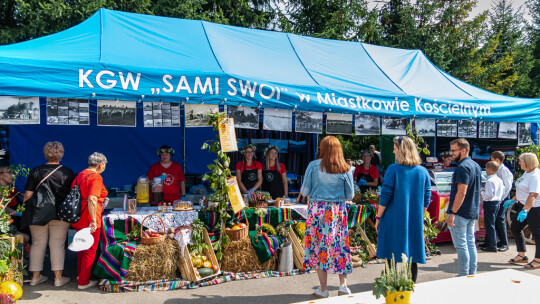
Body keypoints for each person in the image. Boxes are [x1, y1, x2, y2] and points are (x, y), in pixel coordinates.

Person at [300, 136, 354, 298]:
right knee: (339, 246)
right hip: (337, 211)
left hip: (318, 211)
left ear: (322, 148)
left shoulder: (313, 165)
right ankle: (343, 285)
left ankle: (323, 289)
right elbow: (350, 194)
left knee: (318, 247)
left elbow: (304, 192)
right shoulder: (345, 168)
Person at [375, 136, 431, 283]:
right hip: (414, 218)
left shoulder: (393, 169)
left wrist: (378, 217)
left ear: (402, 150)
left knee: (390, 253)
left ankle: (391, 285)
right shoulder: (423, 171)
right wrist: (420, 215)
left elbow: (385, 196)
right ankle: (411, 285)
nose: (393, 151)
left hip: (393, 218)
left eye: (395, 148)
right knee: (412, 253)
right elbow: (427, 197)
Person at [23, 142, 75, 287]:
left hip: (37, 213)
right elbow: (72, 194)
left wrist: (26, 208)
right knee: (57, 244)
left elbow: (28, 194)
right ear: (61, 154)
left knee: (37, 244)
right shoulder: (67, 172)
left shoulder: (36, 171)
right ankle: (58, 278)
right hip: (59, 214)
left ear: (45, 154)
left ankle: (35, 277)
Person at [71, 152, 108, 289]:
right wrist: (93, 220)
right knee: (90, 250)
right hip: (90, 216)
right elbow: (93, 198)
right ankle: (83, 282)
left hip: (78, 215)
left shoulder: (80, 175)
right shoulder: (96, 177)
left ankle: (81, 275)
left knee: (82, 247)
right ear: (100, 165)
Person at [446, 138, 482, 277]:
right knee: (470, 244)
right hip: (471, 210)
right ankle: (471, 274)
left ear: (463, 150)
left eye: (454, 150)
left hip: (461, 212)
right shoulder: (475, 166)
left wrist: (452, 213)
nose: (451, 153)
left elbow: (462, 192)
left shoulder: (462, 167)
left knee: (462, 246)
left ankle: (463, 275)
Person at [503, 153, 540, 269]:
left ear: (528, 161)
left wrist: (525, 210)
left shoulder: (535, 175)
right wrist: (513, 200)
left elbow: (533, 194)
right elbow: (522, 191)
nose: (519, 162)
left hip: (534, 208)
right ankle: (522, 255)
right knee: (515, 227)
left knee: (538, 235)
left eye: (521, 160)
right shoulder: (527, 172)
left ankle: (538, 260)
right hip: (523, 205)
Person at [0, 165, 29, 246]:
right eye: (9, 172)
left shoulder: (13, 191)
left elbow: (24, 198)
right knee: (23, 237)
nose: (12, 175)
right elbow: (5, 210)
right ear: (0, 175)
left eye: (12, 172)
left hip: (17, 222)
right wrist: (21, 214)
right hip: (6, 224)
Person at [490, 151, 513, 252]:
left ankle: (505, 243)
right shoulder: (499, 169)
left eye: (492, 159)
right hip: (499, 197)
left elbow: (508, 186)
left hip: (503, 198)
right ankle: (501, 240)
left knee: (500, 218)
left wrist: (502, 198)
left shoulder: (504, 170)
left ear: (497, 160)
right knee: (497, 219)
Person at [479, 161, 504, 252]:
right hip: (497, 202)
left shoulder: (490, 181)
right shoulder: (499, 180)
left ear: (489, 169)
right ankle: (489, 242)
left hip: (490, 203)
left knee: (489, 225)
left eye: (486, 168)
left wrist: (482, 193)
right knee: (492, 223)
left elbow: (489, 195)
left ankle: (492, 245)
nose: (485, 170)